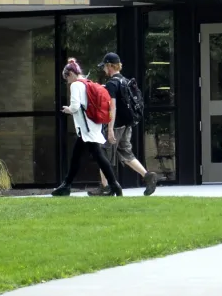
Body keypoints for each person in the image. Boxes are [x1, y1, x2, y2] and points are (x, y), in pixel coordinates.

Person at [89, 53, 158, 197]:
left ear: (109, 66)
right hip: (127, 125)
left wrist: (110, 130)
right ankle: (148, 176)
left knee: (103, 155)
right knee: (126, 153)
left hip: (116, 125)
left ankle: (105, 188)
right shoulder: (125, 81)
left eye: (105, 67)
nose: (104, 70)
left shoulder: (111, 84)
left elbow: (112, 107)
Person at [52, 58, 123, 197]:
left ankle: (114, 185)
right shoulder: (87, 82)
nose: (67, 81)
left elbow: (75, 106)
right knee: (77, 156)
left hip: (86, 128)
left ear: (71, 74)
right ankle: (66, 185)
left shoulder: (76, 85)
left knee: (98, 156)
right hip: (92, 125)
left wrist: (67, 109)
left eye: (66, 78)